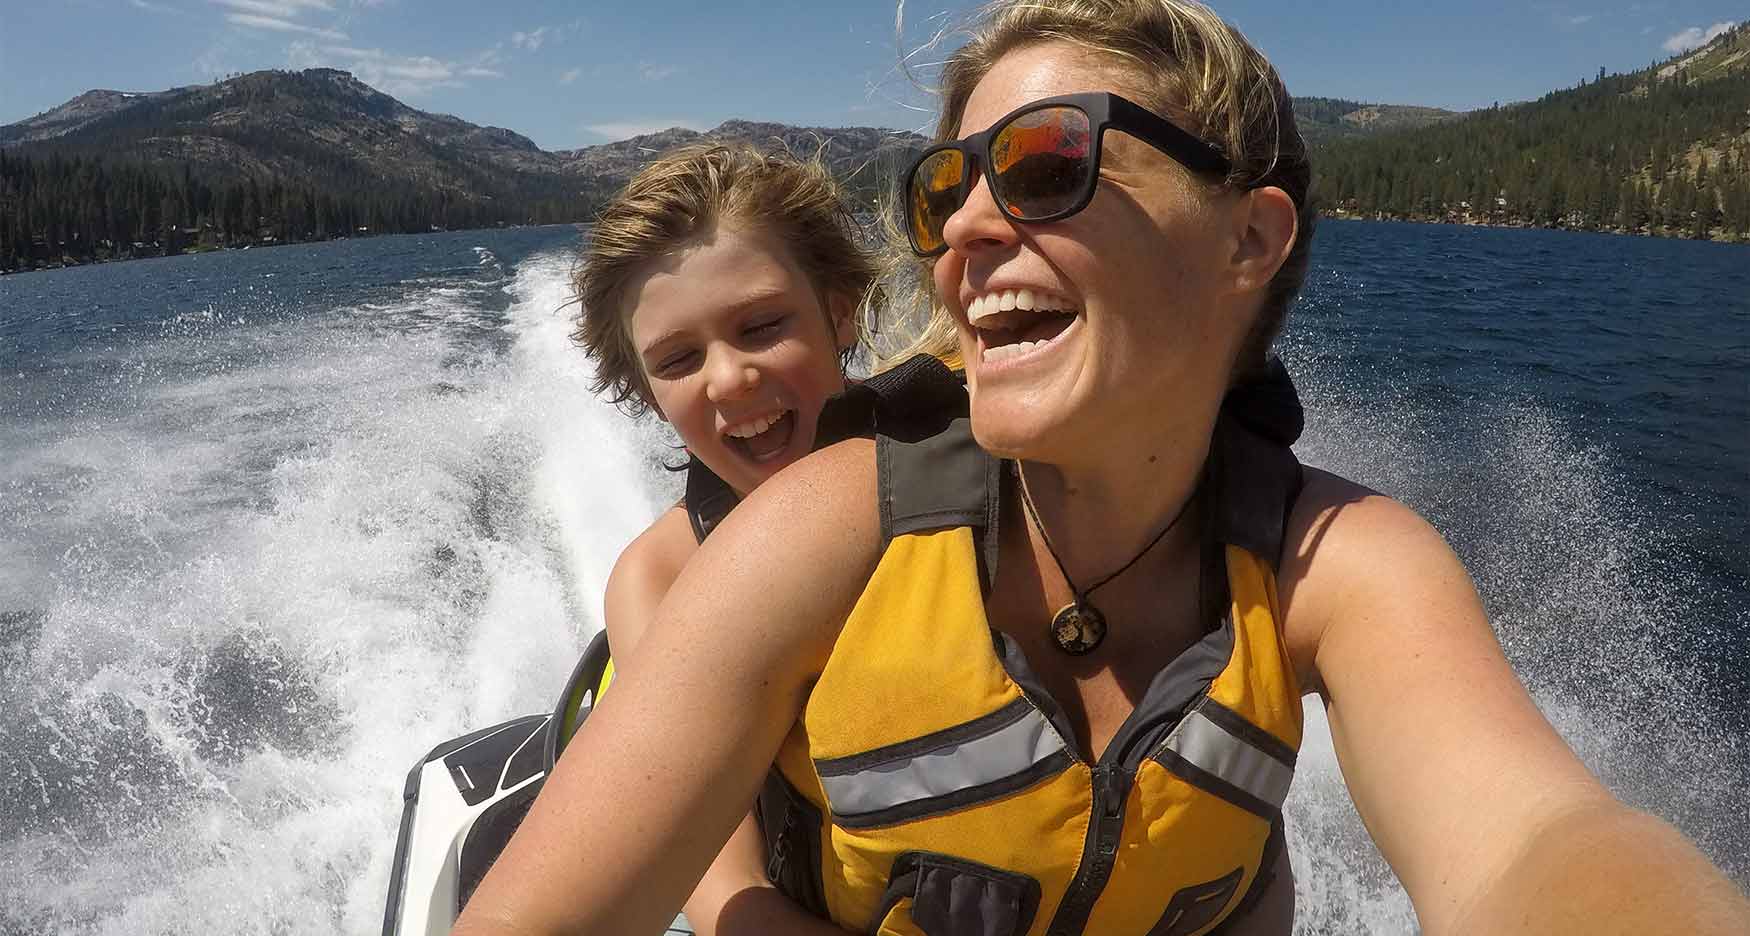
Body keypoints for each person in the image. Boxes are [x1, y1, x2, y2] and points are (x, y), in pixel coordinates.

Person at [459, 2, 1750, 934]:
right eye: (944, 188)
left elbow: (1536, 841)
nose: (965, 223)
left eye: (1044, 165)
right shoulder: (821, 528)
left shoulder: (1336, 569)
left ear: (1249, 235)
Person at [570, 140, 879, 935]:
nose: (731, 379)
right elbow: (717, 882)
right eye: (678, 360)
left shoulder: (986, 470)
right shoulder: (661, 579)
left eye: (763, 325)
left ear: (840, 309)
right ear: (646, 392)